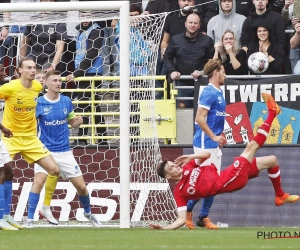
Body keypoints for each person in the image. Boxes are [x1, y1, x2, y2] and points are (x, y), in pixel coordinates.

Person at [149, 93, 300, 230]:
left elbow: (207, 155)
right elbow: (180, 220)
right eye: (171, 167)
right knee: (251, 146)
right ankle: (273, 113)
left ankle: (280, 195)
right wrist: (164, 228)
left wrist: (191, 157)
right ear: (168, 176)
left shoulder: (188, 166)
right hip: (228, 181)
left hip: (227, 174)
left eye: (172, 163)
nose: (175, 165)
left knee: (272, 160)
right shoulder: (179, 192)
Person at [23, 70, 101, 228]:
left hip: (64, 151)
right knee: (38, 181)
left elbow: (72, 122)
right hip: (44, 151)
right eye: (55, 81)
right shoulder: (39, 103)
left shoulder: (66, 101)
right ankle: (29, 219)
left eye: (60, 80)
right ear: (46, 83)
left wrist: (77, 123)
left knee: (82, 187)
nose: (58, 83)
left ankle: (88, 212)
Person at [0, 58, 60, 227]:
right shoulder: (9, 88)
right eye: (29, 68)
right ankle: (4, 216)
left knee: (54, 169)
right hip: (11, 137)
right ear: (20, 70)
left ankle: (43, 208)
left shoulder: (37, 87)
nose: (33, 71)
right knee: (4, 174)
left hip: (31, 139)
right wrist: (3, 127)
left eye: (34, 68)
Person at [185, 59, 226, 230]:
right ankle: (187, 212)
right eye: (223, 71)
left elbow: (215, 118)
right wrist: (213, 137)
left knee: (213, 183)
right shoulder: (209, 92)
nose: (225, 75)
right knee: (207, 183)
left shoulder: (218, 92)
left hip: (212, 143)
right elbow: (199, 118)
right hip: (204, 143)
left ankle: (202, 217)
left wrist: (220, 135)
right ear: (216, 72)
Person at [66, 11, 108, 145]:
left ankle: (84, 138)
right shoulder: (81, 31)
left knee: (86, 105)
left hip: (91, 73)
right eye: (83, 16)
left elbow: (91, 54)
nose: (85, 19)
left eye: (88, 16)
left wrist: (76, 73)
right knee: (91, 105)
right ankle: (101, 138)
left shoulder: (96, 31)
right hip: (84, 72)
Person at [163, 13, 214, 108]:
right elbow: (167, 57)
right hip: (182, 84)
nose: (192, 25)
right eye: (190, 22)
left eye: (195, 23)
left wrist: (202, 71)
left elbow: (212, 61)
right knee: (182, 115)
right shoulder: (175, 39)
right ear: (185, 23)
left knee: (202, 114)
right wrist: (172, 71)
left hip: (202, 84)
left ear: (199, 25)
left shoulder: (207, 40)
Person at [19, 1, 67, 73]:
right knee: (32, 79)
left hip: (51, 58)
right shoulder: (34, 19)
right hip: (35, 56)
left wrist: (52, 66)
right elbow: (24, 42)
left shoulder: (59, 21)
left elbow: (60, 48)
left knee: (44, 78)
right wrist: (21, 63)